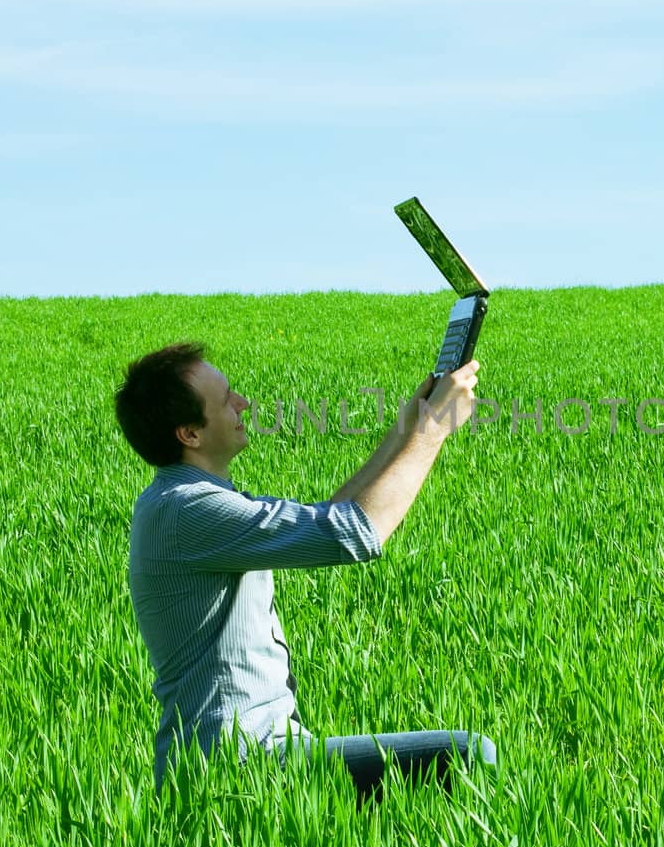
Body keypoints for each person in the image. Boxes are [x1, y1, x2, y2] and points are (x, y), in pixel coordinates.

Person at [113, 342, 497, 802]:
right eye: (225, 400)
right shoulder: (188, 510)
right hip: (237, 767)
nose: (243, 404)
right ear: (189, 434)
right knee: (470, 755)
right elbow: (357, 531)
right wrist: (433, 431)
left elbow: (334, 516)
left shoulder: (186, 501)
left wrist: (408, 427)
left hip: (255, 757)